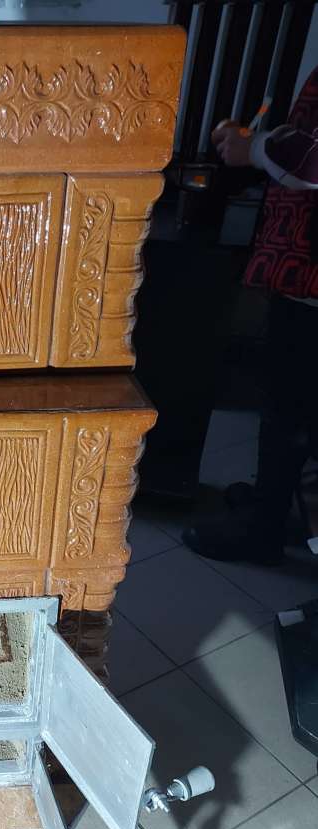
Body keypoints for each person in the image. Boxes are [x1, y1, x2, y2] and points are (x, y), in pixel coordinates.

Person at [183, 68, 318, 564]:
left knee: (291, 407)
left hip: (313, 283)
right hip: (304, 276)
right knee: (291, 403)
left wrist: (254, 148)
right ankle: (274, 504)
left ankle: (264, 529)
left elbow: (312, 160)